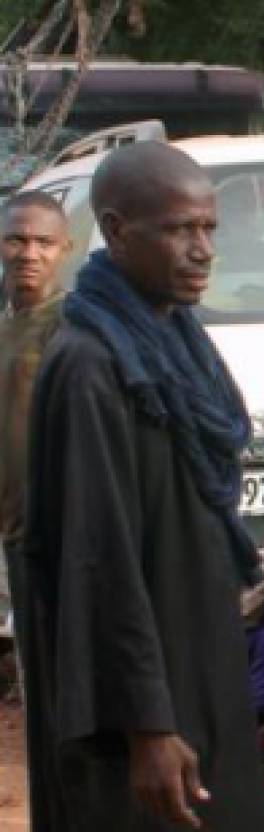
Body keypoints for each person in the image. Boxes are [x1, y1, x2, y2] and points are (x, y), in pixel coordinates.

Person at [20, 142, 264, 832]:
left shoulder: (168, 342)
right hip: (134, 715)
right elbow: (98, 563)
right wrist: (148, 725)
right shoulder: (92, 367)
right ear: (118, 231)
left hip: (196, 676)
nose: (200, 250)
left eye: (209, 228)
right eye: (177, 229)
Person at [0, 191, 70, 631]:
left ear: (65, 248)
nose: (30, 254)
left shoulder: (71, 325)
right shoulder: (7, 322)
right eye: (16, 241)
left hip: (47, 528)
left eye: (43, 243)